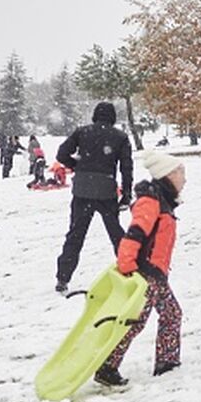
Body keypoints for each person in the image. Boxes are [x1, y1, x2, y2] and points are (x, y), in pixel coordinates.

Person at [94, 151, 185, 387]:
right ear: (168, 174)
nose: (184, 179)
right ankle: (106, 366)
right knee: (134, 322)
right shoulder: (151, 201)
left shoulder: (163, 199)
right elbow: (134, 235)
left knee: (171, 314)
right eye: (180, 172)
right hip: (145, 274)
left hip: (157, 274)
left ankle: (167, 362)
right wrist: (127, 266)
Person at [54, 102, 134, 293]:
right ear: (113, 117)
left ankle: (63, 277)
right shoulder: (120, 137)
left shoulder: (82, 132)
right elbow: (126, 168)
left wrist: (77, 166)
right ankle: (130, 267)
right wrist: (127, 194)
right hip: (106, 190)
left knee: (75, 235)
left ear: (95, 115)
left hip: (82, 189)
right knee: (116, 233)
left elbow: (61, 154)